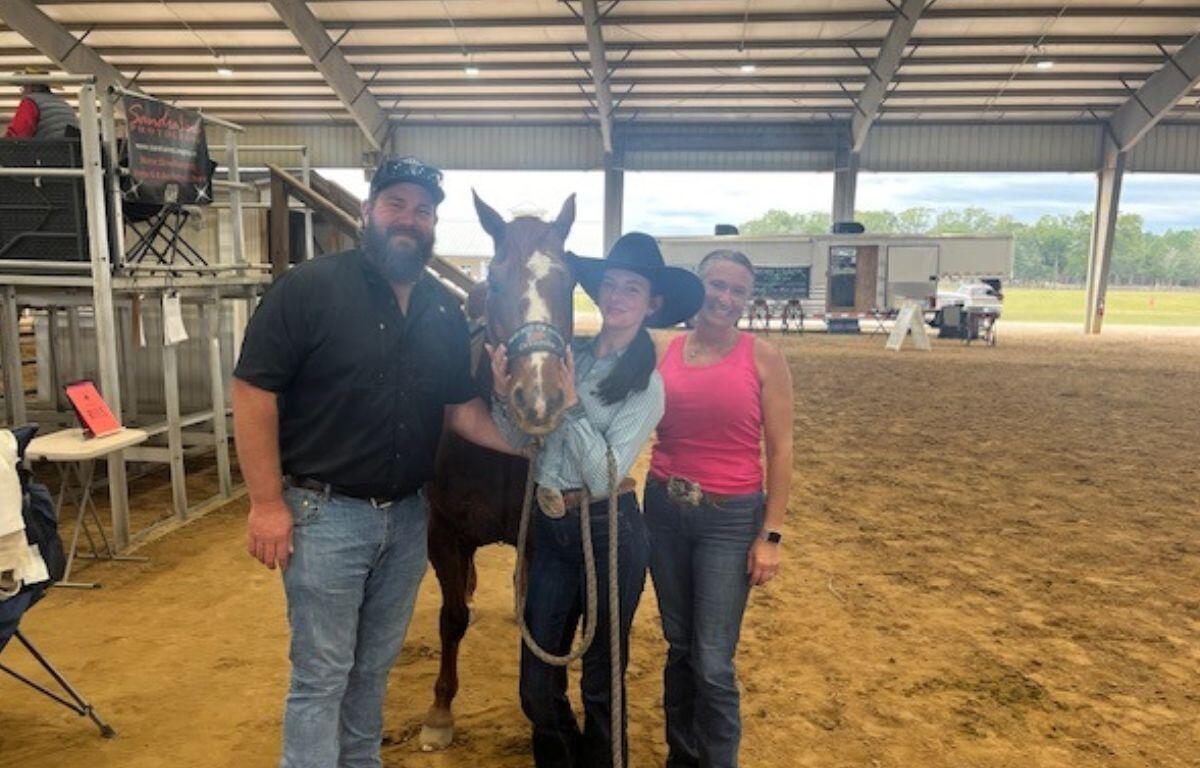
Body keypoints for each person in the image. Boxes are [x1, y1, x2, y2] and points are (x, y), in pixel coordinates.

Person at [231, 156, 516, 768]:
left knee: (372, 670)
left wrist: (536, 445)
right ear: (367, 211)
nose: (409, 220)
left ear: (434, 224)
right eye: (396, 205)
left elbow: (459, 409)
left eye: (423, 211)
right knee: (321, 675)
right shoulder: (310, 289)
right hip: (323, 513)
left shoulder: (440, 308)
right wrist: (265, 503)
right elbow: (254, 391)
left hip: (409, 518)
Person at [488, 232, 704, 768]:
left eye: (632, 288)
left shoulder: (646, 385)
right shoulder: (568, 356)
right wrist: (502, 396)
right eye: (610, 284)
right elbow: (521, 439)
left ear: (653, 303)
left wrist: (575, 405)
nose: (617, 295)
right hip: (552, 524)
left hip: (609, 530)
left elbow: (606, 473)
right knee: (537, 683)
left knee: (602, 682)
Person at [644, 249, 794, 768]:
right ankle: (681, 757)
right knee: (679, 645)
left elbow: (781, 448)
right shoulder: (664, 351)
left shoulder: (763, 358)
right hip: (663, 508)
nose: (725, 299)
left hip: (730, 519)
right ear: (697, 286)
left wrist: (770, 534)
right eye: (716, 285)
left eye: (737, 291)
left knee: (711, 660)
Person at [4, 68, 79, 139]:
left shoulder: (30, 101)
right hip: (69, 151)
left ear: (31, 86)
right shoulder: (64, 104)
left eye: (24, 87)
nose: (23, 92)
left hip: (46, 150)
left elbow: (18, 135)